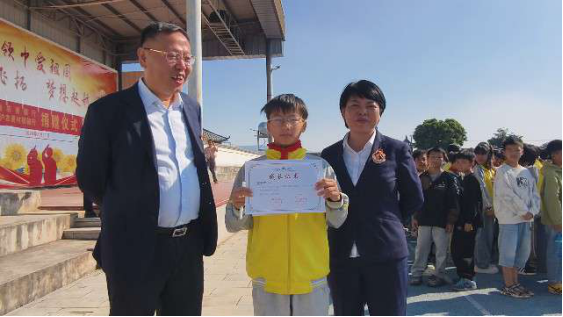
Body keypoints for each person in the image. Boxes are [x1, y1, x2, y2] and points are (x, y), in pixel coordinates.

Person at [76, 22, 218, 316]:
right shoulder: (108, 112)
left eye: (187, 58)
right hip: (134, 247)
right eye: (172, 56)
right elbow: (91, 177)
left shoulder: (191, 108)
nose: (182, 66)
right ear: (143, 57)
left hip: (187, 247)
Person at [226, 94, 349, 316]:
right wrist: (237, 206)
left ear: (304, 125)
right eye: (278, 120)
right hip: (268, 276)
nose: (286, 126)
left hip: (311, 275)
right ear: (268, 127)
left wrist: (335, 200)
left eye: (293, 119)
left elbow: (337, 220)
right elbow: (234, 225)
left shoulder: (320, 167)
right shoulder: (252, 170)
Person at [322, 80, 424, 316]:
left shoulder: (396, 149)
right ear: (342, 112)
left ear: (381, 112)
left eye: (371, 105)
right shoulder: (329, 155)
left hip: (386, 253)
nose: (362, 111)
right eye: (354, 105)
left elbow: (414, 197)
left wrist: (388, 221)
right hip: (341, 254)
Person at [494, 136, 541, 299]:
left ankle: (515, 282)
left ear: (522, 151)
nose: (514, 153)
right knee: (508, 253)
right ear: (504, 152)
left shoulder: (525, 171)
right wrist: (523, 210)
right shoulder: (502, 171)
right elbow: (505, 195)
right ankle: (509, 285)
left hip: (526, 219)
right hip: (509, 220)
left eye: (517, 149)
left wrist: (533, 211)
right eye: (510, 150)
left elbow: (535, 194)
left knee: (522, 253)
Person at [411, 147, 461, 288]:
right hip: (424, 219)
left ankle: (439, 274)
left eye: (439, 157)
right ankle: (416, 274)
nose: (436, 160)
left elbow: (454, 201)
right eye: (432, 156)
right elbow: (416, 200)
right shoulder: (421, 178)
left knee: (441, 250)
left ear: (444, 159)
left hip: (442, 221)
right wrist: (415, 217)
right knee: (421, 248)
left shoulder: (450, 178)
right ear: (427, 158)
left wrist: (451, 221)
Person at [450, 151, 483, 291]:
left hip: (468, 223)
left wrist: (469, 221)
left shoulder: (471, 180)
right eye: (458, 162)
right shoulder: (463, 178)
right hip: (462, 221)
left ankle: (468, 279)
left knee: (465, 251)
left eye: (464, 162)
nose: (460, 164)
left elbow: (473, 203)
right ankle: (463, 275)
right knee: (457, 249)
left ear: (472, 163)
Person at [474, 142, 499, 275]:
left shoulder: (491, 169)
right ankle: (481, 264)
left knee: (491, 236)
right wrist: (489, 206)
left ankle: (485, 261)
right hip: (485, 209)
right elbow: (481, 189)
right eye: (477, 153)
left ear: (489, 154)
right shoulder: (478, 169)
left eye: (483, 153)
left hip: (494, 209)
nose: (479, 156)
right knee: (484, 237)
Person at [541, 140, 562, 295]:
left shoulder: (558, 170)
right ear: (554, 155)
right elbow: (552, 198)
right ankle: (554, 283)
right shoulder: (550, 172)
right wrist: (557, 221)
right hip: (557, 221)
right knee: (555, 251)